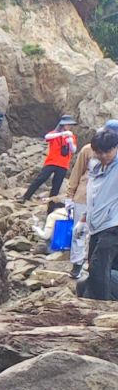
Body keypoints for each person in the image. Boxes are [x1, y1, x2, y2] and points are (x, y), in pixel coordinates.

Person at [81, 127, 118, 301]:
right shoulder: (95, 168)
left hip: (113, 224)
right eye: (99, 152)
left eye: (107, 151)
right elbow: (92, 196)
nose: (103, 156)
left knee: (98, 266)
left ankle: (99, 306)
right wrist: (84, 218)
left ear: (116, 147)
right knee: (100, 265)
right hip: (96, 225)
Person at [29, 114, 77, 202]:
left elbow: (73, 150)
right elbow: (47, 137)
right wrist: (62, 134)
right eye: (68, 124)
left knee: (56, 186)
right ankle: (26, 196)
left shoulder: (71, 136)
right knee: (40, 179)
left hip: (63, 164)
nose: (69, 126)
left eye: (70, 125)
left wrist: (70, 142)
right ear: (62, 124)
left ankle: (51, 205)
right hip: (51, 162)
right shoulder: (55, 134)